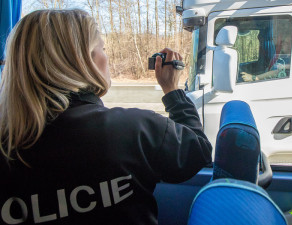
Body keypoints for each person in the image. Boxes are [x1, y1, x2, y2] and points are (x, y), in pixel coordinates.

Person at [0, 9, 212, 225]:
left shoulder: (7, 144)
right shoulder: (134, 129)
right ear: (83, 60)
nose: (106, 56)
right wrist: (172, 90)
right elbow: (198, 151)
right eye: (102, 47)